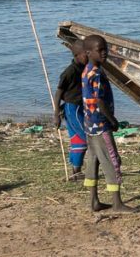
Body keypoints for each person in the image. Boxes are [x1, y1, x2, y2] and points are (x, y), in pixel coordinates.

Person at [81, 35, 137, 212]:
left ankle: (93, 201)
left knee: (94, 161)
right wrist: (113, 121)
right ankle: (117, 203)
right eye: (100, 50)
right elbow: (100, 102)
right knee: (112, 161)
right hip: (100, 124)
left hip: (89, 124)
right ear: (89, 53)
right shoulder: (96, 73)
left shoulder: (87, 70)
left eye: (106, 49)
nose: (105, 53)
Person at [51, 40, 88, 180]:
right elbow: (59, 93)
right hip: (72, 108)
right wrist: (56, 113)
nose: (88, 56)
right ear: (77, 55)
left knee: (78, 141)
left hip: (81, 107)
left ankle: (76, 172)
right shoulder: (69, 72)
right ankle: (80, 171)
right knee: (86, 138)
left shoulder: (84, 68)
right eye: (86, 54)